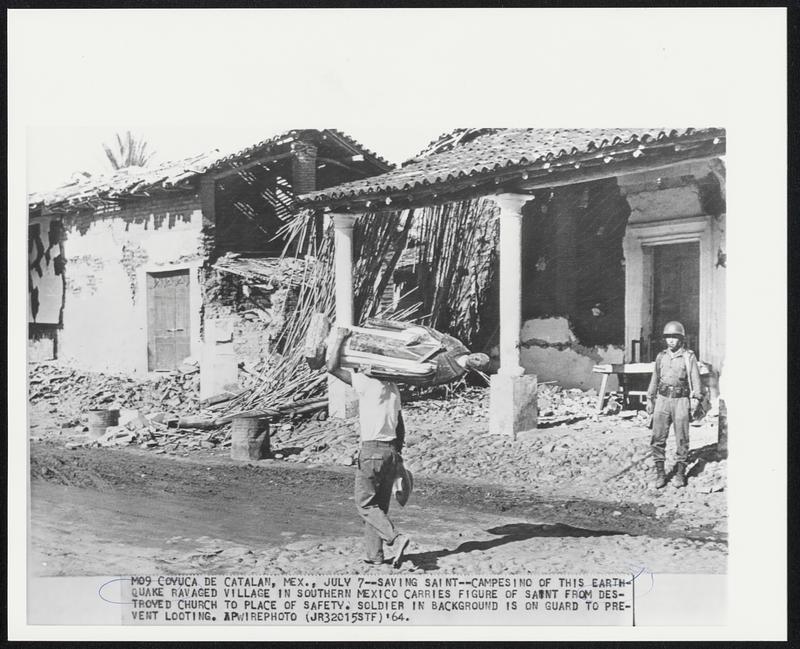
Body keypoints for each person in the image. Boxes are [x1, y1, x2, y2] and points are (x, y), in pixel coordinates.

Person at [326, 326, 411, 568]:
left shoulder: (367, 383)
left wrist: (340, 339)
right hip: (391, 451)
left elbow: (331, 367)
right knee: (379, 507)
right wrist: (398, 457)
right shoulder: (394, 389)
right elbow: (401, 426)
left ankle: (396, 537)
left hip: (372, 450)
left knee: (364, 504)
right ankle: (375, 555)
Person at [646, 321, 703, 489]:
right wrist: (650, 398)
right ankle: (660, 474)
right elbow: (655, 378)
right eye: (668, 337)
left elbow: (695, 379)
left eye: (674, 337)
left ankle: (679, 473)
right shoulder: (661, 356)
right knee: (657, 438)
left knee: (682, 438)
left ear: (681, 339)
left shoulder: (688, 356)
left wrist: (696, 399)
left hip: (681, 401)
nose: (670, 340)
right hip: (662, 400)